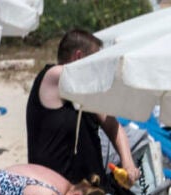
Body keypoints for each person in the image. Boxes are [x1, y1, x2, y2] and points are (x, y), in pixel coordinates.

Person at [26, 30, 138, 186]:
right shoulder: (54, 76)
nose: (96, 67)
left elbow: (113, 126)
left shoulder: (83, 90)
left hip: (91, 190)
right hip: (55, 191)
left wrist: (128, 163)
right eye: (94, 61)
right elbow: (72, 76)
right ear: (78, 57)